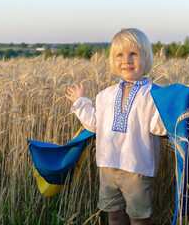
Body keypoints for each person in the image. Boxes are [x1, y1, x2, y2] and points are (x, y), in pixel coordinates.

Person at [65, 28, 166, 225]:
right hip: (107, 166)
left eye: (134, 54)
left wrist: (174, 109)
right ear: (113, 60)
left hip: (137, 168)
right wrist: (81, 102)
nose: (126, 60)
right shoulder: (105, 95)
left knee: (139, 218)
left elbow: (157, 128)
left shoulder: (154, 94)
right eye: (120, 55)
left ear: (147, 59)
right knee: (114, 215)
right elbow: (94, 125)